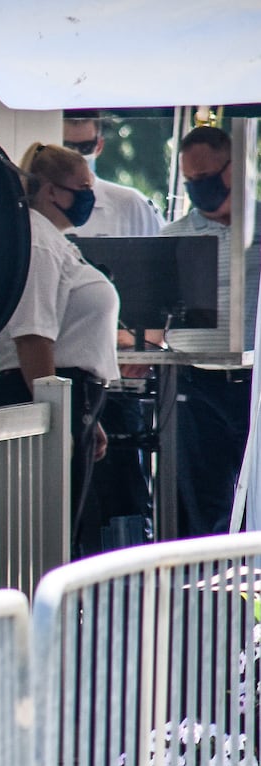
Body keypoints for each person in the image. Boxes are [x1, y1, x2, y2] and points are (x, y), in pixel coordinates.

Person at [0, 142, 120, 555]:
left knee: (70, 528)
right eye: (81, 187)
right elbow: (33, 337)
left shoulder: (55, 241)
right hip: (45, 390)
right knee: (50, 533)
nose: (89, 196)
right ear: (49, 190)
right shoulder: (38, 241)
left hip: (69, 393)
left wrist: (86, 418)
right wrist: (57, 419)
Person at [62, 110, 165, 551]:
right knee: (68, 509)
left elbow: (159, 296)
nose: (77, 160)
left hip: (119, 382)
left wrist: (137, 342)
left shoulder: (129, 206)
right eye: (67, 151)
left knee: (122, 501)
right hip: (68, 375)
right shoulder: (40, 230)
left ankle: (123, 602)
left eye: (83, 150)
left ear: (99, 146)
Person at [162, 125, 260, 536]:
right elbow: (153, 316)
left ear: (233, 169)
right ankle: (203, 590)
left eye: (205, 178)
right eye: (190, 181)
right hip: (195, 384)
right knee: (199, 500)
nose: (197, 188)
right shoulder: (173, 238)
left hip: (254, 384)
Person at [61, 110, 163, 238]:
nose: (76, 155)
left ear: (99, 146)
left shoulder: (132, 205)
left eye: (85, 147)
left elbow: (160, 254)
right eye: (67, 147)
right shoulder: (37, 206)